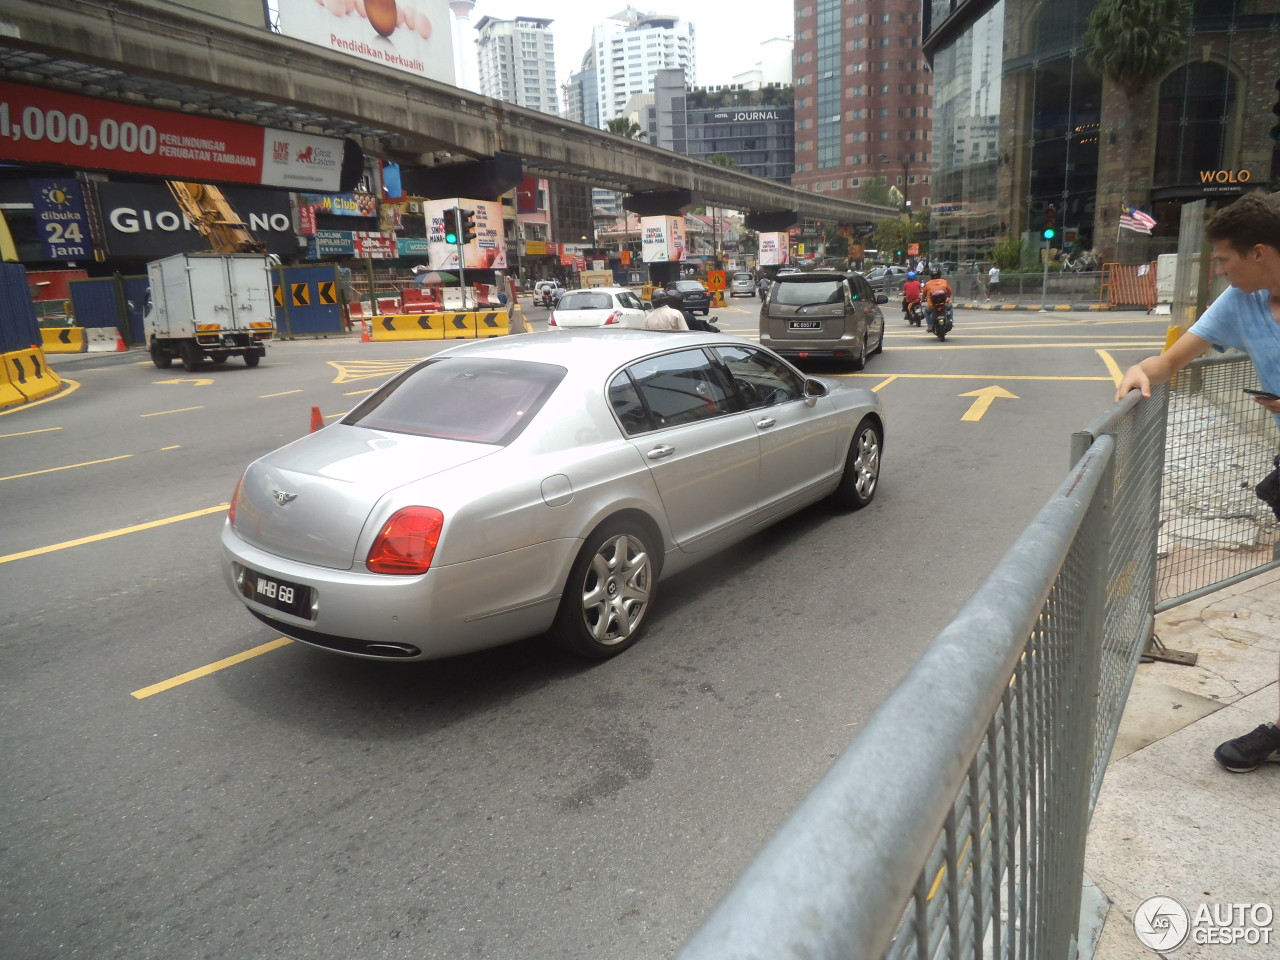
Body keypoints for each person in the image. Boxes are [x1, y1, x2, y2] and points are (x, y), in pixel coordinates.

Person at [1115, 190, 1280, 773]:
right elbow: (1170, 361)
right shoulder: (1241, 301)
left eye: (1225, 260)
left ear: (1259, 252)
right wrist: (1142, 371)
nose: (1218, 271)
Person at [921, 267, 953, 332]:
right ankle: (950, 320)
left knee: (926, 312)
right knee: (950, 306)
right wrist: (948, 297)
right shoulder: (944, 282)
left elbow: (924, 294)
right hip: (944, 304)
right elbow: (949, 292)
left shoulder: (928, 284)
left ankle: (930, 325)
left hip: (932, 305)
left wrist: (923, 300)